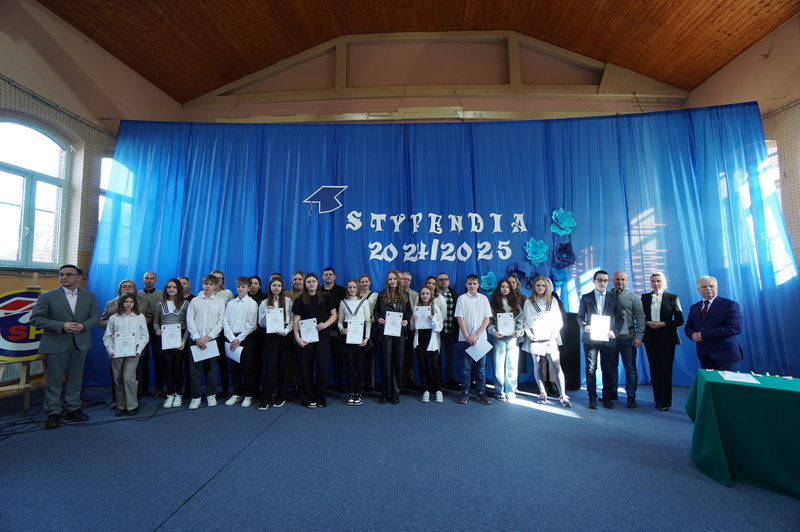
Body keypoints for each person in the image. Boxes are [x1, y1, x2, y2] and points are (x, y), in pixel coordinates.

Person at [30, 264, 99, 429]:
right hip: (56, 343)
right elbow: (36, 319)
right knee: (54, 379)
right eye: (61, 274)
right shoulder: (47, 296)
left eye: (69, 274)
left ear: (79, 277)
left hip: (80, 343)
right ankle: (53, 412)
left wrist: (83, 325)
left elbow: (95, 317)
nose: (64, 277)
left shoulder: (89, 296)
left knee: (75, 378)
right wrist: (62, 325)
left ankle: (73, 408)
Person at [576, 270, 624, 409]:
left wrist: (614, 332)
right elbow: (580, 317)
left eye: (605, 280)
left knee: (608, 369)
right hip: (590, 338)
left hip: (608, 338)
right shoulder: (586, 297)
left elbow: (620, 319)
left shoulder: (614, 298)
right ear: (594, 281)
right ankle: (592, 398)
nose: (603, 283)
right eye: (600, 280)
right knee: (591, 369)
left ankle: (607, 398)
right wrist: (584, 326)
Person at [523, 276, 570, 406]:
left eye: (543, 285)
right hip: (535, 338)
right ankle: (542, 392)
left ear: (547, 287)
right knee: (538, 365)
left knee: (556, 366)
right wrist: (530, 334)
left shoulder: (552, 301)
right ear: (534, 287)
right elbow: (525, 321)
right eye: (538, 285)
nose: (540, 288)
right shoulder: (528, 302)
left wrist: (553, 335)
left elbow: (558, 321)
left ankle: (563, 394)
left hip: (550, 338)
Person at [293, 273, 337, 408]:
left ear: (318, 283)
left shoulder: (326, 297)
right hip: (305, 339)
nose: (311, 284)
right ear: (305, 284)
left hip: (322, 338)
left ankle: (321, 398)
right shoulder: (300, 300)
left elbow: (334, 315)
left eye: (313, 281)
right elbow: (296, 321)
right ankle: (308, 399)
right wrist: (297, 338)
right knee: (305, 368)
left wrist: (325, 324)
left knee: (322, 367)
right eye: (309, 282)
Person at [641, 272, 684, 411]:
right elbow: (639, 316)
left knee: (665, 369)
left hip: (667, 338)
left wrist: (664, 324)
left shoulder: (672, 297)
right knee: (654, 368)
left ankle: (665, 402)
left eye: (658, 281)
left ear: (664, 282)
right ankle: (657, 399)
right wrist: (647, 322)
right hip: (650, 337)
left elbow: (680, 320)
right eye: (653, 281)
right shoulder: (645, 297)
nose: (656, 284)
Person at [103, 293, 149, 417]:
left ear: (135, 303)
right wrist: (110, 350)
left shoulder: (140, 317)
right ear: (121, 303)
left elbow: (145, 336)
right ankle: (121, 406)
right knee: (118, 379)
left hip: (133, 353)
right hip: (116, 353)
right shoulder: (113, 318)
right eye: (126, 301)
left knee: (128, 378)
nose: (128, 304)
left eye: (131, 302)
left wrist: (139, 350)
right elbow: (107, 336)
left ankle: (132, 405)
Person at [684, 275, 743, 371]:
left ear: (717, 288)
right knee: (708, 381)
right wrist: (692, 335)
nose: (708, 289)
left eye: (711, 286)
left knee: (724, 381)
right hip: (704, 355)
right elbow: (688, 326)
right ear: (698, 290)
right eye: (704, 287)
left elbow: (735, 328)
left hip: (725, 355)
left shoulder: (730, 305)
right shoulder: (694, 307)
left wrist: (703, 335)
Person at [185, 274, 226, 409]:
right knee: (194, 371)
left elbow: (220, 322)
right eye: (206, 284)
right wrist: (197, 338)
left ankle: (211, 395)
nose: (208, 286)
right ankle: (196, 397)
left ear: (216, 286)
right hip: (195, 340)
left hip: (211, 340)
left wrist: (207, 338)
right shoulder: (195, 301)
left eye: (211, 284)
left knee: (211, 370)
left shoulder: (219, 302)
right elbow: (190, 319)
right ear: (202, 285)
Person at [455, 274, 493, 405]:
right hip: (465, 339)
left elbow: (487, 319)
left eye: (474, 283)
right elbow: (460, 319)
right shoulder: (461, 299)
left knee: (480, 368)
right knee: (465, 368)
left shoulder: (484, 299)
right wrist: (468, 337)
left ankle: (481, 392)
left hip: (480, 339)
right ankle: (464, 391)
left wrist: (476, 335)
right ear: (466, 285)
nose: (472, 286)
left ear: (478, 285)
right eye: (470, 283)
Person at [375, 270, 412, 404]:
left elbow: (408, 312)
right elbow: (376, 312)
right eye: (390, 279)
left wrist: (406, 320)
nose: (392, 281)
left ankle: (396, 393)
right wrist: (379, 319)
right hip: (386, 333)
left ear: (398, 280)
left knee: (398, 363)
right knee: (386, 363)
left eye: (394, 279)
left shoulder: (405, 295)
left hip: (400, 334)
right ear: (387, 281)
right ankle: (385, 393)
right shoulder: (382, 295)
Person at [610, 271, 646, 408]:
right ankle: (612, 393)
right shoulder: (606, 295)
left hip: (628, 338)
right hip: (610, 338)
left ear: (627, 281)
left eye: (623, 279)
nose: (620, 282)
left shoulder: (633, 297)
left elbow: (640, 318)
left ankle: (631, 396)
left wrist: (638, 337)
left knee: (630, 368)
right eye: (617, 279)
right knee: (611, 367)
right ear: (612, 280)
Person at [153, 279, 189, 408]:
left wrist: (184, 340)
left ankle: (178, 394)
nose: (171, 289)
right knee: (167, 367)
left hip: (180, 338)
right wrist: (157, 330)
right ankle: (170, 394)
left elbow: (189, 324)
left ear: (179, 289)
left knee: (177, 367)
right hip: (165, 339)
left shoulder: (185, 303)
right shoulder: (160, 304)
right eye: (169, 287)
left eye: (174, 287)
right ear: (166, 289)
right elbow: (155, 322)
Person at [223, 277, 259, 408]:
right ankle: (237, 393)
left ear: (249, 288)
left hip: (246, 338)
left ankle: (249, 394)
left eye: (243, 287)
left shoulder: (252, 303)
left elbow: (252, 324)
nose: (240, 289)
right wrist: (232, 338)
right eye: (238, 286)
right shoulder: (231, 303)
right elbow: (225, 321)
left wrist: (239, 339)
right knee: (234, 368)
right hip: (231, 338)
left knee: (248, 367)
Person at [258, 276, 293, 410]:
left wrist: (285, 331)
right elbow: (261, 324)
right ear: (270, 287)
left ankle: (281, 396)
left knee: (284, 367)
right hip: (271, 336)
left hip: (284, 336)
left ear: (282, 287)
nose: (276, 288)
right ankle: (266, 398)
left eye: (279, 285)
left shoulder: (288, 301)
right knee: (270, 368)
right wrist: (267, 313)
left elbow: (292, 320)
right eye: (274, 285)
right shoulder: (264, 303)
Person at [487, 278, 524, 401]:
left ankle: (510, 391)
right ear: (499, 288)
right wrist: (494, 332)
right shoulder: (493, 304)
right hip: (498, 338)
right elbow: (489, 322)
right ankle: (499, 391)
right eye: (502, 287)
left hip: (512, 339)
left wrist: (518, 331)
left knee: (512, 365)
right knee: (498, 365)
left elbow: (520, 320)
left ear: (510, 289)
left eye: (507, 287)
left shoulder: (515, 304)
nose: (505, 289)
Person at [338, 279, 371, 406]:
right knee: (349, 365)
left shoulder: (364, 302)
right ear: (347, 289)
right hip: (348, 336)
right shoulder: (343, 302)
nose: (352, 289)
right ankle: (351, 392)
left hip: (360, 336)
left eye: (354, 287)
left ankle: (358, 392)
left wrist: (366, 337)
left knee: (360, 365)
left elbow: (368, 321)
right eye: (350, 287)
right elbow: (340, 321)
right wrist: (342, 329)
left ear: (358, 288)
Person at [411, 286, 444, 403]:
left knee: (435, 367)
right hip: (420, 341)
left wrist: (433, 319)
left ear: (431, 295)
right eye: (423, 294)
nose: (425, 296)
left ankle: (438, 391)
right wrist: (413, 320)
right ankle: (426, 390)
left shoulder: (436, 309)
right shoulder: (416, 309)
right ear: (420, 296)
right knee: (422, 367)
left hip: (432, 342)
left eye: (427, 294)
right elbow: (411, 328)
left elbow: (439, 328)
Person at [321, 267, 347, 391]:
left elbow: (344, 308)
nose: (328, 276)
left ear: (334, 277)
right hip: (321, 328)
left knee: (337, 357)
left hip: (337, 329)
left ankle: (338, 383)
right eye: (326, 274)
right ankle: (322, 384)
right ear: (322, 277)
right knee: (322, 357)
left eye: (330, 274)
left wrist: (335, 321)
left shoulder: (341, 290)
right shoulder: (318, 290)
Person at [138, 271, 163, 398]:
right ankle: (143, 387)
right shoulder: (136, 295)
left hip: (156, 330)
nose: (149, 280)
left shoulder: (162, 295)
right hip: (140, 330)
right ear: (142, 280)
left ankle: (159, 386)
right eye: (146, 278)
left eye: (151, 278)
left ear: (156, 280)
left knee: (158, 359)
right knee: (142, 359)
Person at [210, 270, 233, 398]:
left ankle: (225, 388)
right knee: (209, 361)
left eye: (220, 278)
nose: (218, 280)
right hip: (208, 332)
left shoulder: (227, 293)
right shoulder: (203, 293)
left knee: (223, 361)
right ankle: (210, 390)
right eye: (215, 277)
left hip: (223, 332)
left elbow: (232, 311)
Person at [436, 272, 460, 389]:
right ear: (437, 282)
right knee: (436, 357)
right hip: (437, 332)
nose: (443, 281)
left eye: (445, 279)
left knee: (450, 356)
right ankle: (437, 380)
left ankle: (451, 379)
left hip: (450, 331)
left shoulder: (454, 295)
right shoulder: (433, 295)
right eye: (441, 279)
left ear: (449, 281)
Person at [359, 274, 380, 392]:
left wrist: (372, 321)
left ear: (370, 282)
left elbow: (378, 311)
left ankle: (370, 383)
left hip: (373, 328)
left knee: (371, 356)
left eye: (366, 281)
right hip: (358, 329)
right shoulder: (356, 295)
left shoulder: (375, 295)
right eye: (362, 282)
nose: (364, 284)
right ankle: (360, 382)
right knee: (359, 356)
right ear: (359, 283)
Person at [400, 271, 420, 391]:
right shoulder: (396, 293)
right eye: (404, 279)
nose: (406, 281)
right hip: (397, 328)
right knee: (400, 356)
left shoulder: (415, 294)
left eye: (408, 280)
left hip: (411, 328)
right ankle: (401, 381)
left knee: (409, 355)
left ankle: (410, 378)